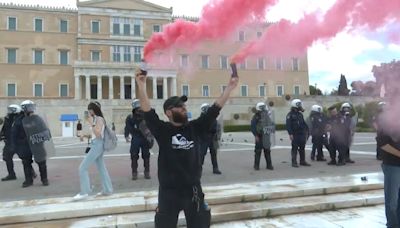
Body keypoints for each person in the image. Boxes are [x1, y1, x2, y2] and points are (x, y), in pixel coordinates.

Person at [136, 69, 238, 228]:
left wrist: (229, 88)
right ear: (169, 112)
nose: (184, 108)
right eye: (179, 106)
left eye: (183, 105)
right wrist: (141, 85)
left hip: (193, 191)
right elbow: (148, 112)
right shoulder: (163, 130)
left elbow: (215, 109)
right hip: (168, 193)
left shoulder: (196, 127)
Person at [73, 101, 113, 201]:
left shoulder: (99, 119)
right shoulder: (96, 119)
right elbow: (95, 134)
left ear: (93, 110)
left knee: (82, 168)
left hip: (97, 145)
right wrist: (84, 135)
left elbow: (98, 133)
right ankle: (107, 190)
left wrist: (91, 123)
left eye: (89, 109)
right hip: (96, 144)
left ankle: (84, 192)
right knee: (101, 168)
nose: (88, 112)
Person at [11, 100, 47, 187]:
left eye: (31, 107)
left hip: (36, 143)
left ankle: (44, 179)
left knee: (42, 162)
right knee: (26, 163)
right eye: (29, 107)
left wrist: (43, 137)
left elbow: (44, 129)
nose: (31, 109)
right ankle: (28, 180)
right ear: (24, 108)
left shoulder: (37, 118)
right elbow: (14, 133)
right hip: (25, 145)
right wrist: (15, 145)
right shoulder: (19, 120)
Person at [125, 99, 152, 180]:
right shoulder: (130, 117)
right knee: (134, 156)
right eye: (137, 109)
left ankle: (147, 172)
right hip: (136, 138)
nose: (139, 110)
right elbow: (127, 127)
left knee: (146, 156)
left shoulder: (146, 116)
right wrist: (126, 135)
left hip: (145, 138)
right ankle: (134, 173)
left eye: (140, 108)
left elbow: (150, 126)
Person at [286, 99, 310, 168]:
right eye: (299, 104)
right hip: (295, 134)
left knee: (302, 148)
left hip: (301, 133)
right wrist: (290, 134)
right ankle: (294, 162)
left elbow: (303, 123)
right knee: (295, 148)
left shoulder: (300, 114)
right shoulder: (290, 115)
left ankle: (302, 161)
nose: (300, 106)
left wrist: (307, 130)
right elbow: (288, 125)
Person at [0, 105, 22, 181]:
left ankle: (31, 173)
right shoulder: (7, 118)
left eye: (10, 110)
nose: (8, 111)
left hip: (18, 142)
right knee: (7, 157)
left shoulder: (20, 119)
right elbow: (4, 129)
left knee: (25, 158)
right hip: (9, 142)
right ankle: (11, 174)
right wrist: (1, 136)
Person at [199, 103, 222, 175]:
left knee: (214, 154)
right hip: (204, 138)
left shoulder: (212, 118)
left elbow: (217, 127)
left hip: (212, 138)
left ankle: (215, 168)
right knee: (201, 154)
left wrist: (217, 136)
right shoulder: (201, 118)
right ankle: (198, 169)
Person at [251, 102, 274, 170]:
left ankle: (269, 165)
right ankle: (256, 165)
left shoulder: (267, 116)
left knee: (267, 151)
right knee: (258, 151)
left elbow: (271, 124)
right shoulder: (256, 117)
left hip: (266, 136)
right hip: (259, 136)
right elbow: (253, 127)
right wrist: (256, 135)